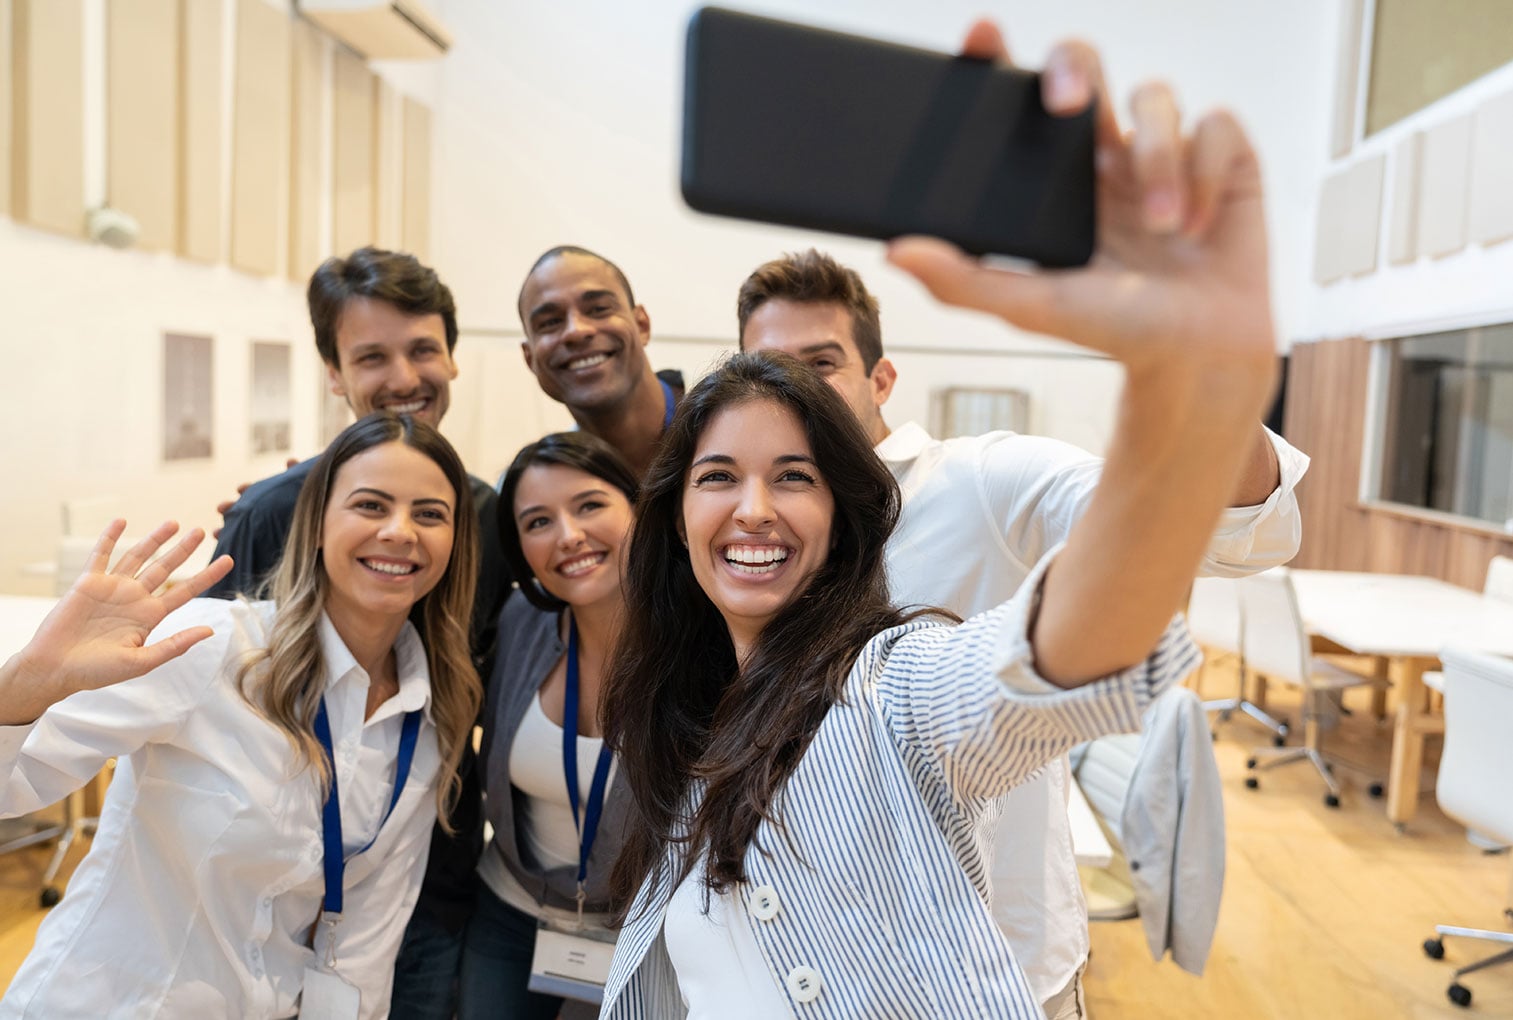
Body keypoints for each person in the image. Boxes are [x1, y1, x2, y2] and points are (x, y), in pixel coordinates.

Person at [596, 23, 1285, 1016]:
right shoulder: (681, 713)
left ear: (846, 510)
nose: (753, 508)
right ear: (676, 513)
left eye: (793, 476)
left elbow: (1076, 639)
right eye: (719, 477)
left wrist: (1190, 379)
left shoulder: (894, 684)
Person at [737, 242, 1306, 1013]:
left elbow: (1213, 526)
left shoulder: (981, 483)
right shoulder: (740, 532)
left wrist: (1210, 371)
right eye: (771, 369)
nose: (796, 391)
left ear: (880, 379)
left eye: (822, 363)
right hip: (806, 960)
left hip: (995, 960)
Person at [0, 413, 481, 1019]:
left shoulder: (428, 712)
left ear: (456, 541)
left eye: (430, 514)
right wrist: (25, 684)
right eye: (369, 505)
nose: (399, 531)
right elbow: (10, 789)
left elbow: (367, 938)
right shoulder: (213, 649)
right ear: (316, 526)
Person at [208, 246, 510, 1018]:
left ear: (451, 358)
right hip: (266, 893)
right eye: (372, 356)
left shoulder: (482, 517)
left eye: (422, 350)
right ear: (334, 372)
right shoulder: (270, 514)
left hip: (425, 889)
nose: (403, 377)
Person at [458, 432, 641, 1019]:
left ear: (638, 508)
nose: (568, 536)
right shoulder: (517, 621)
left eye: (590, 505)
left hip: (642, 928)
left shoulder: (705, 646)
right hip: (511, 908)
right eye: (538, 522)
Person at [517, 246, 684, 478]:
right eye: (550, 322)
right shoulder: (538, 491)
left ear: (642, 325)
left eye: (598, 309)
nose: (576, 331)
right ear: (529, 358)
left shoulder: (725, 431)